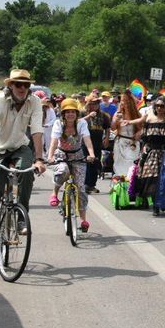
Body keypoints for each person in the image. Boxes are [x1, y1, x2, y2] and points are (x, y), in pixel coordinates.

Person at [0, 69, 47, 259]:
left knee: (26, 169)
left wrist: (39, 159)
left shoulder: (35, 102)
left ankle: (21, 217)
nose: (22, 88)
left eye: (26, 84)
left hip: (19, 146)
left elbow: (37, 131)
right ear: (10, 86)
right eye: (18, 84)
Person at [46, 98, 97, 233]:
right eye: (67, 112)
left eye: (73, 112)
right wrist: (50, 157)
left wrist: (91, 154)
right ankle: (55, 192)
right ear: (63, 114)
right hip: (61, 156)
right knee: (62, 170)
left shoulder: (81, 124)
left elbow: (87, 140)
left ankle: (83, 220)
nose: (70, 114)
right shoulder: (58, 124)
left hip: (78, 157)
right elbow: (53, 142)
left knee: (80, 188)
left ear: (77, 113)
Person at [138, 95, 165, 216]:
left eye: (162, 106)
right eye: (157, 106)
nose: (159, 108)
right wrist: (143, 155)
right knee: (152, 178)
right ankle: (155, 205)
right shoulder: (149, 121)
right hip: (152, 153)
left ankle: (163, 202)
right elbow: (144, 138)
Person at [82, 95, 111, 193]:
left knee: (95, 163)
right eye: (93, 103)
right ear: (88, 104)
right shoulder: (83, 113)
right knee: (87, 162)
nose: (95, 105)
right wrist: (88, 116)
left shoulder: (103, 115)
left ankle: (92, 185)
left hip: (97, 142)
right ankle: (86, 184)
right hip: (85, 141)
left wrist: (106, 138)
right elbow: (77, 123)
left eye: (97, 103)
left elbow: (107, 128)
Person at [111, 91, 142, 177]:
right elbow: (113, 128)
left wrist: (139, 133)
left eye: (125, 101)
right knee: (119, 165)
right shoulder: (118, 114)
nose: (123, 103)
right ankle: (119, 186)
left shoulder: (137, 115)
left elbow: (143, 127)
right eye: (122, 101)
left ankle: (130, 186)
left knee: (130, 165)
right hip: (120, 141)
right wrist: (115, 119)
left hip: (132, 143)